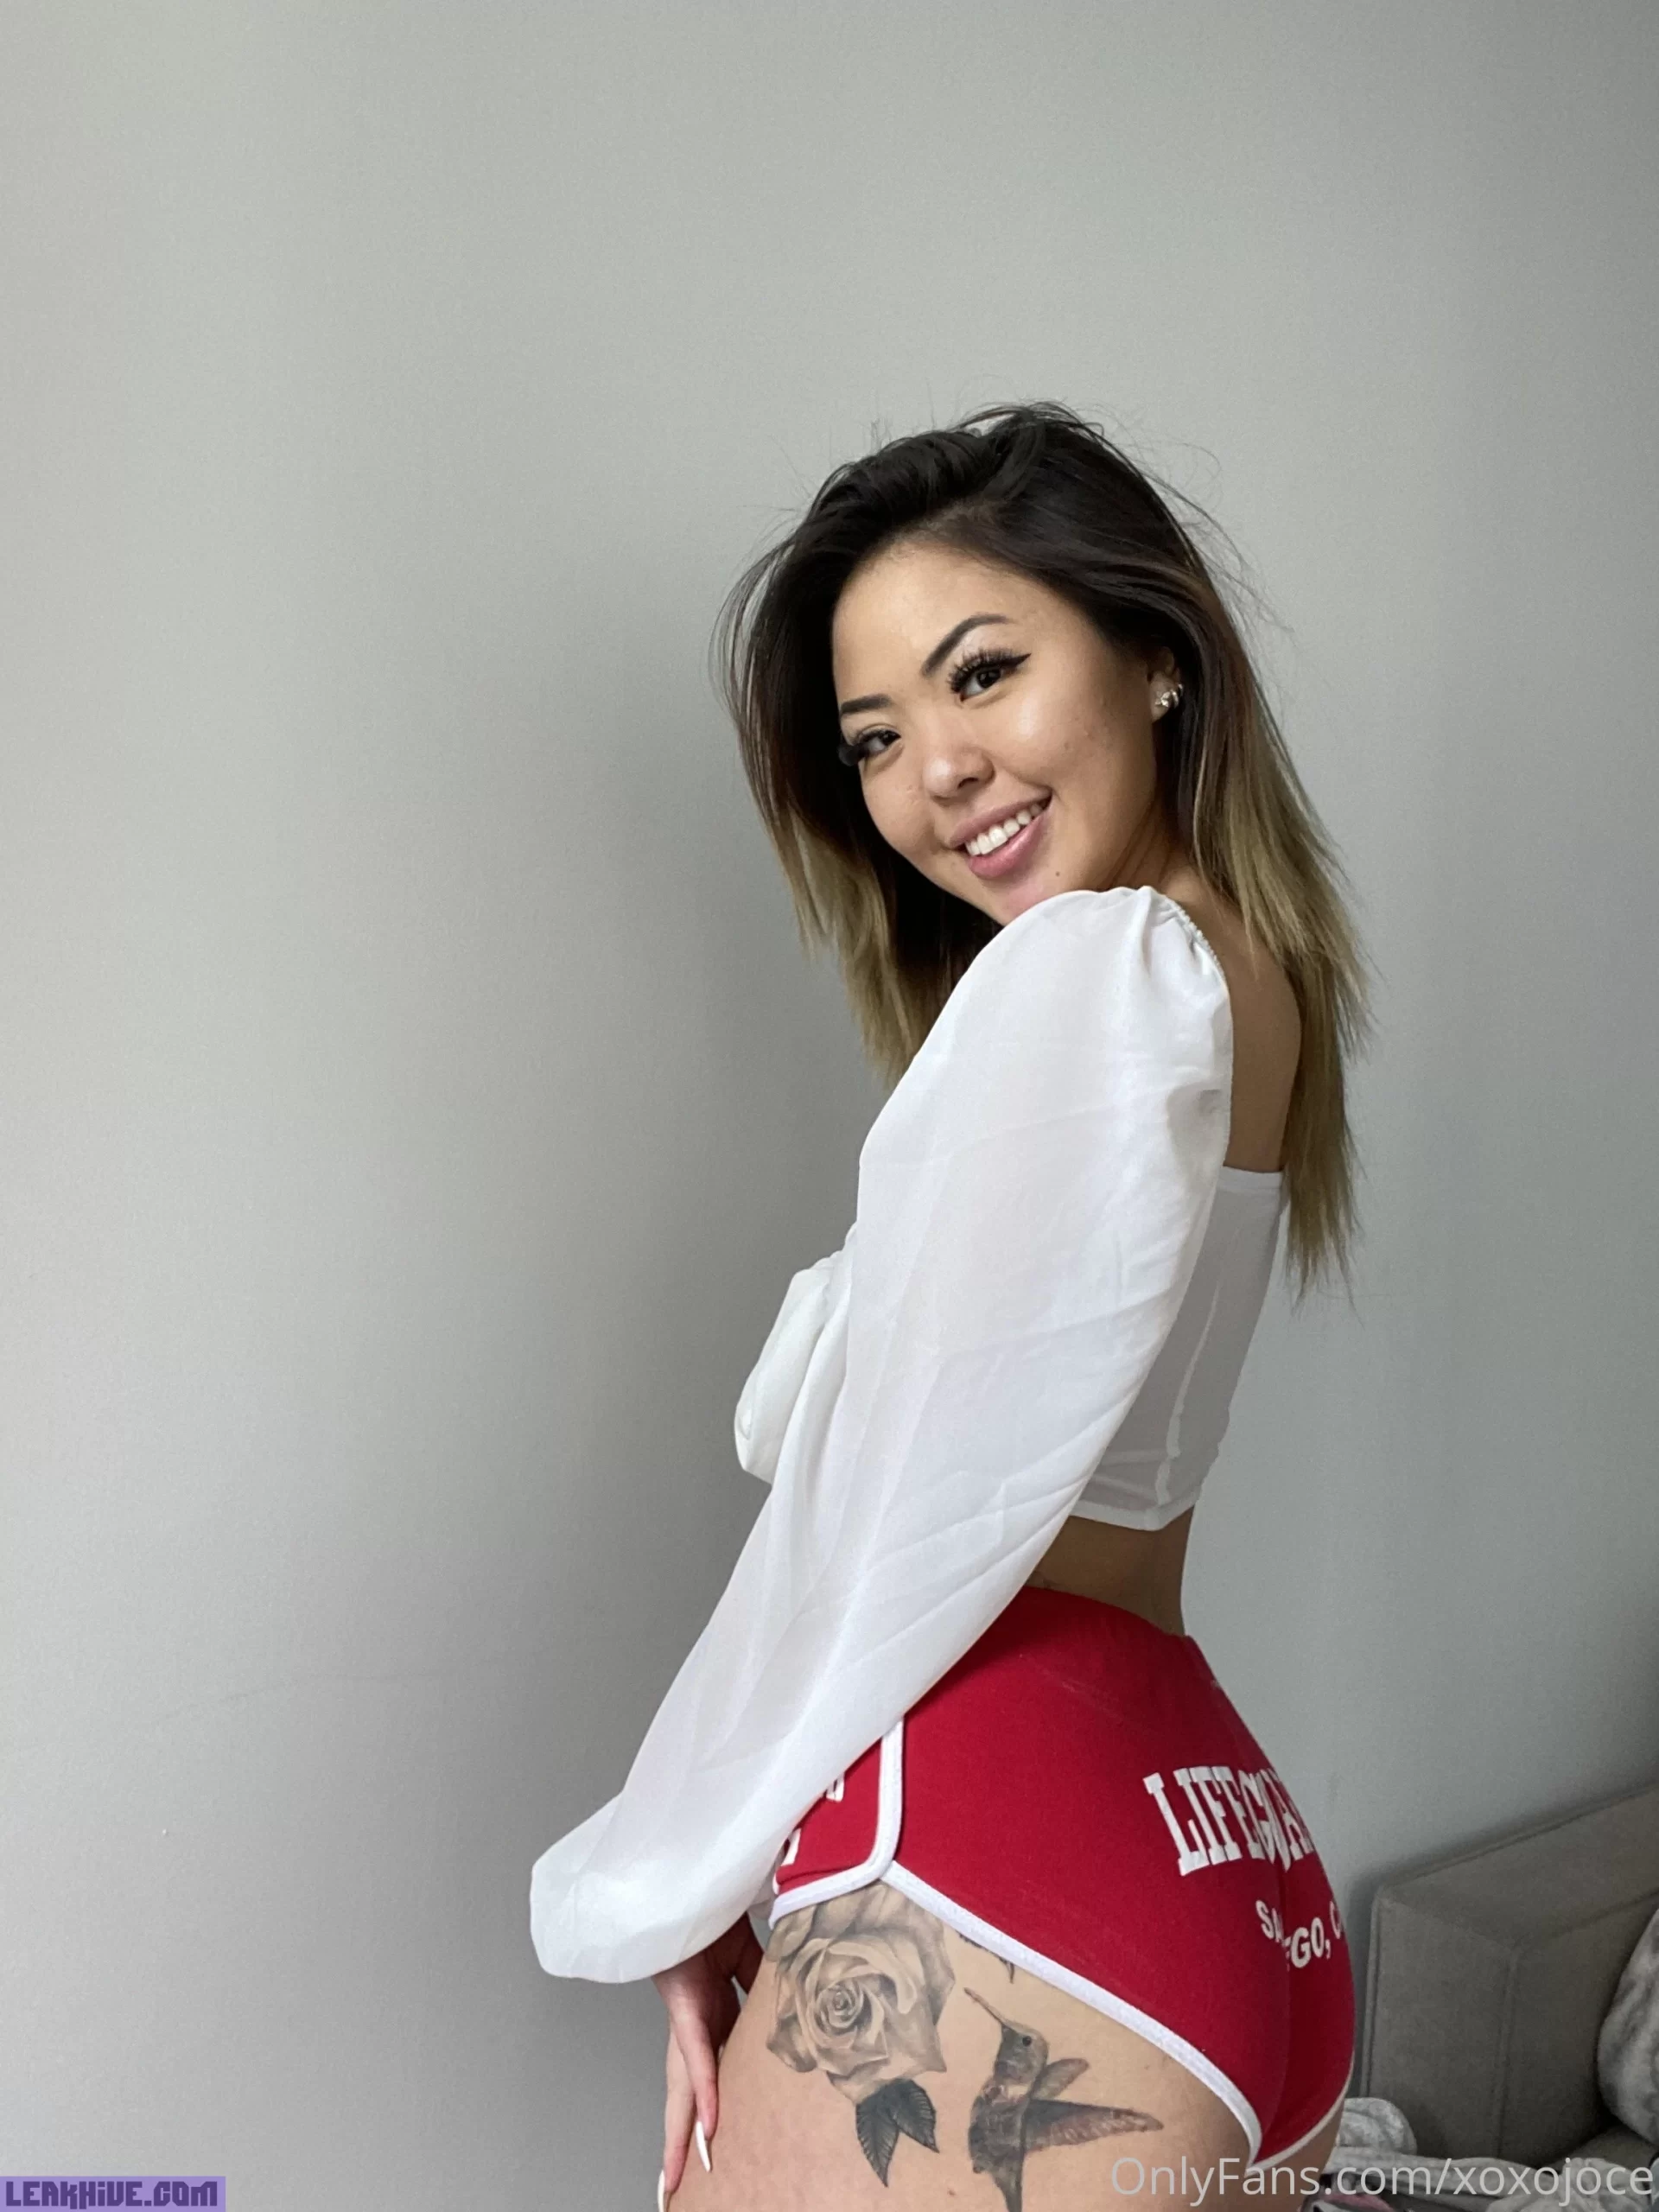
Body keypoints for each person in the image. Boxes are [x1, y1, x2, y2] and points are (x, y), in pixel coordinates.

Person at [529, 401, 1373, 2211]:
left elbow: (898, 1520)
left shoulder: (1099, 969)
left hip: (995, 1865)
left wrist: (682, 1864)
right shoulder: (1246, 970)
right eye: (875, 740)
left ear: (1156, 652)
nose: (940, 772)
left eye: (985, 673)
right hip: (1217, 1856)